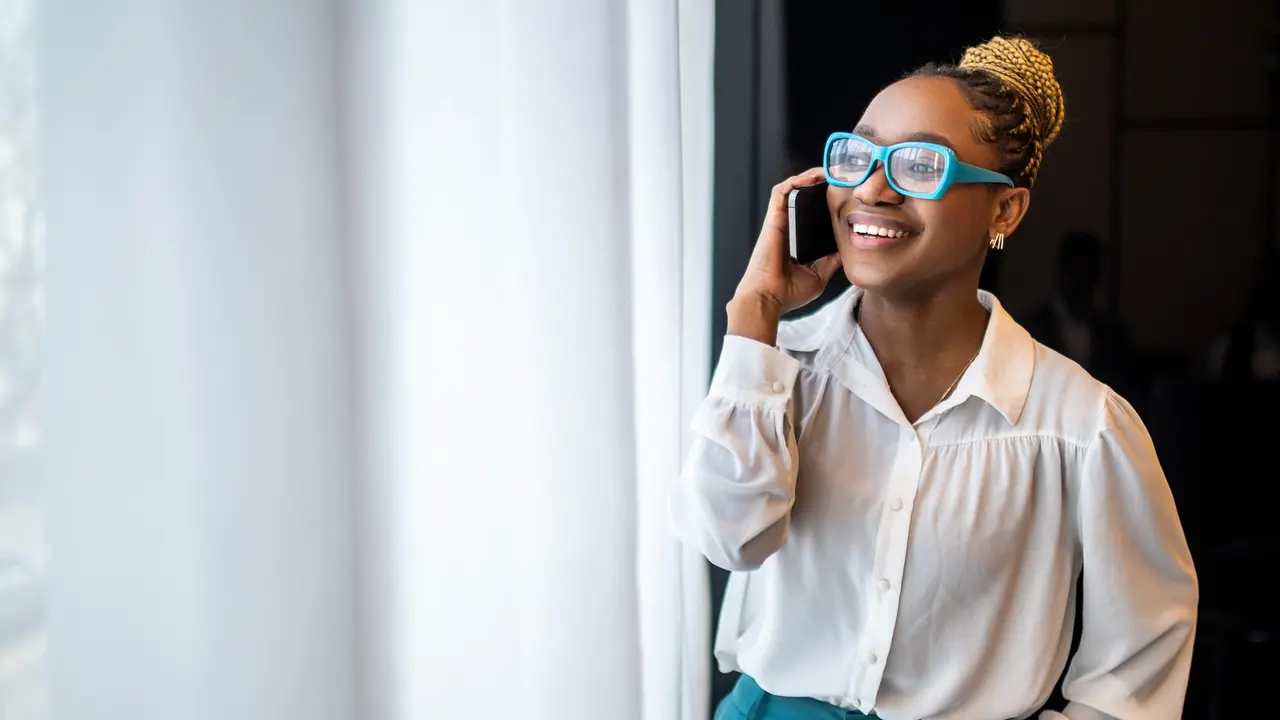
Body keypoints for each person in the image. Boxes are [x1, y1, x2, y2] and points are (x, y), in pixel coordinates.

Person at [671, 36, 1197, 720]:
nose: (872, 189)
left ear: (1004, 211)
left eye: (920, 164)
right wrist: (754, 316)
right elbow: (726, 538)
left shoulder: (1082, 428)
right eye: (857, 157)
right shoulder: (775, 369)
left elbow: (1139, 668)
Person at [1021, 230, 1132, 384]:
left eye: (1090, 274)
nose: (1082, 282)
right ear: (1063, 271)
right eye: (1077, 272)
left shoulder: (1112, 333)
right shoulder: (1029, 329)